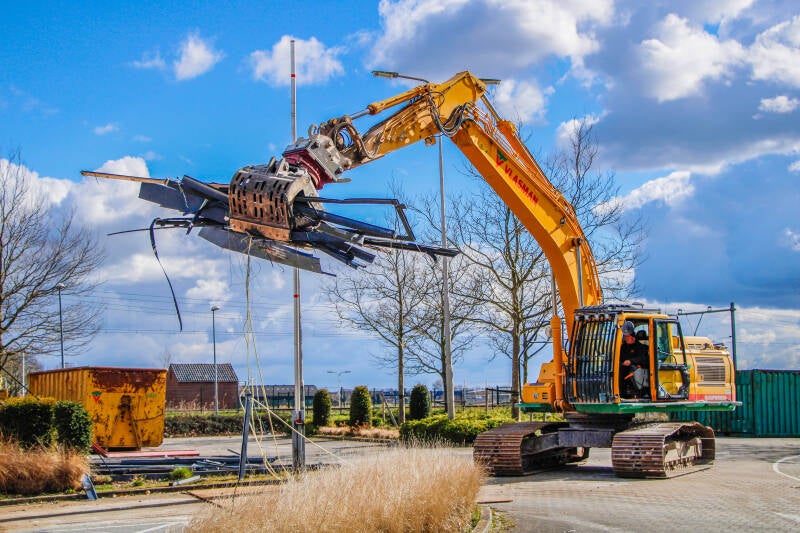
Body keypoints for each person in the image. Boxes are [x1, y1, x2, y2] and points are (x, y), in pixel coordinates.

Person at [619, 321, 649, 398]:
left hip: (635, 372)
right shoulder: (623, 347)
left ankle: (638, 394)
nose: (625, 338)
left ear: (632, 338)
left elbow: (643, 358)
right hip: (623, 370)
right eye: (624, 336)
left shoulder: (641, 347)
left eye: (626, 337)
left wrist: (631, 361)